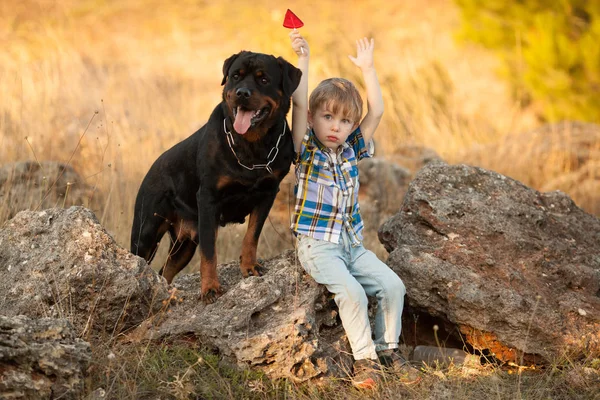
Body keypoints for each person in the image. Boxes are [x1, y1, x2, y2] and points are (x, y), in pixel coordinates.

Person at [288, 31, 421, 389]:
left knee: (392, 286)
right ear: (315, 118)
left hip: (351, 245)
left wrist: (368, 69)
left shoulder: (351, 149)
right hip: (317, 245)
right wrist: (303, 60)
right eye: (328, 117)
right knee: (352, 293)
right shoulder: (307, 150)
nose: (336, 126)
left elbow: (376, 110)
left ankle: (388, 351)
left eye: (345, 121)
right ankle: (366, 363)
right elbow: (298, 104)